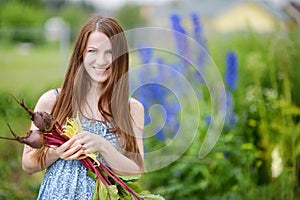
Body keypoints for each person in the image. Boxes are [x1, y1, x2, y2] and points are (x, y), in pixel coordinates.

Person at [22, 16, 145, 199]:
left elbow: (136, 170)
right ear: (81, 54)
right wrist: (56, 152)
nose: (101, 60)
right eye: (93, 51)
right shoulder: (53, 101)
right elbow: (27, 164)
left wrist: (103, 146)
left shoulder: (131, 109)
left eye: (110, 52)